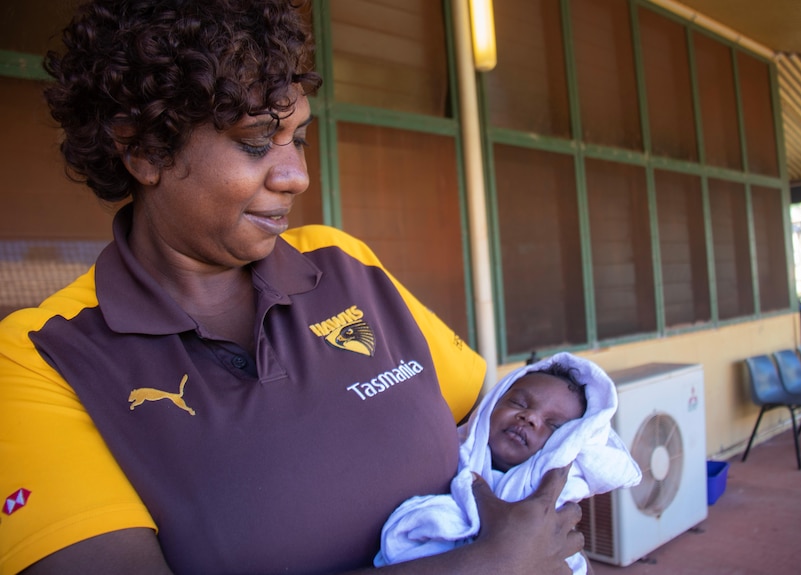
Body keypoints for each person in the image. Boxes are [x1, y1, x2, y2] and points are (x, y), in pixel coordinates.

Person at [0, 1, 586, 574]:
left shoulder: (343, 264)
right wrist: (491, 565)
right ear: (144, 151)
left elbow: (495, 418)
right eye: (256, 143)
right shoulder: (43, 358)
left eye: (298, 138)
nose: (296, 176)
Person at [375, 353, 642, 574]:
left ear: (566, 445)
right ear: (491, 405)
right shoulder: (446, 455)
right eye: (518, 402)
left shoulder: (556, 491)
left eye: (553, 425)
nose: (529, 418)